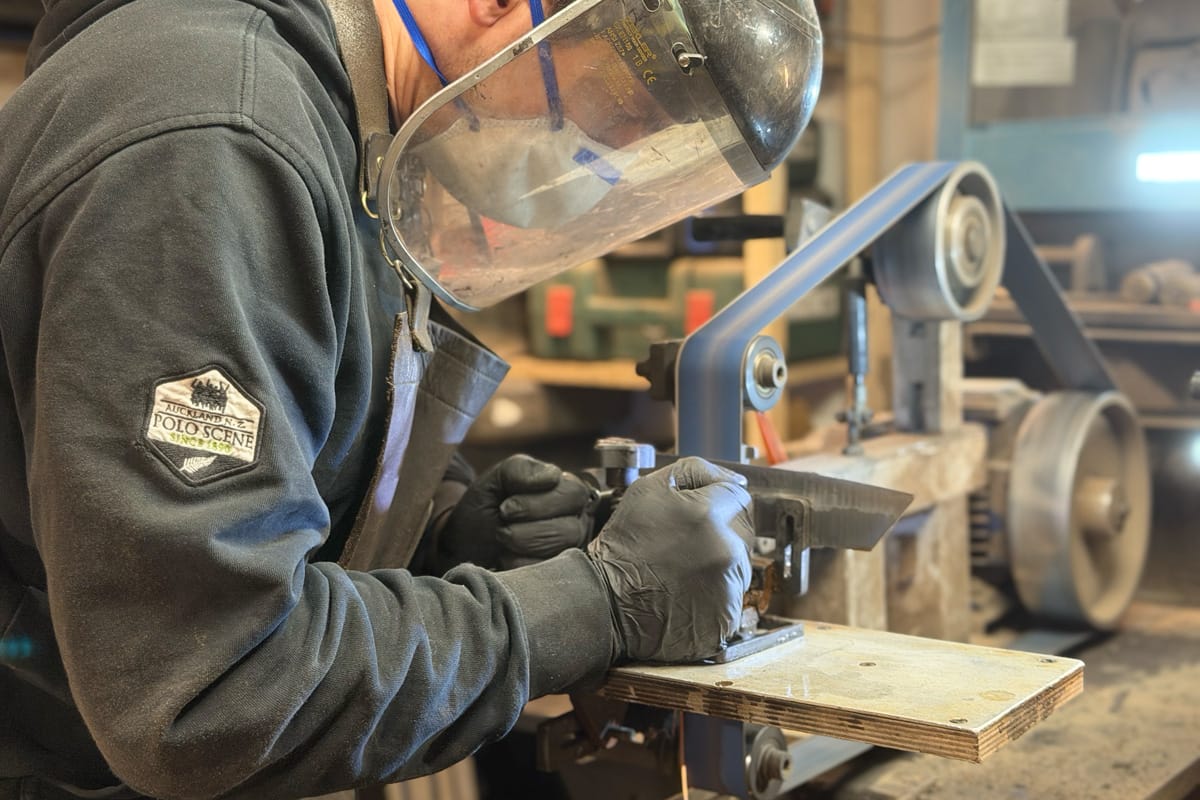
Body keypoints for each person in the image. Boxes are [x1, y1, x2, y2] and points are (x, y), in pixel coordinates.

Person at [0, 0, 822, 798]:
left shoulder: (351, 127)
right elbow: (213, 691)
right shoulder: (218, 141)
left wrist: (438, 534)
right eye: (616, 112)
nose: (604, 161)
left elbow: (268, 472)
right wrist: (591, 607)